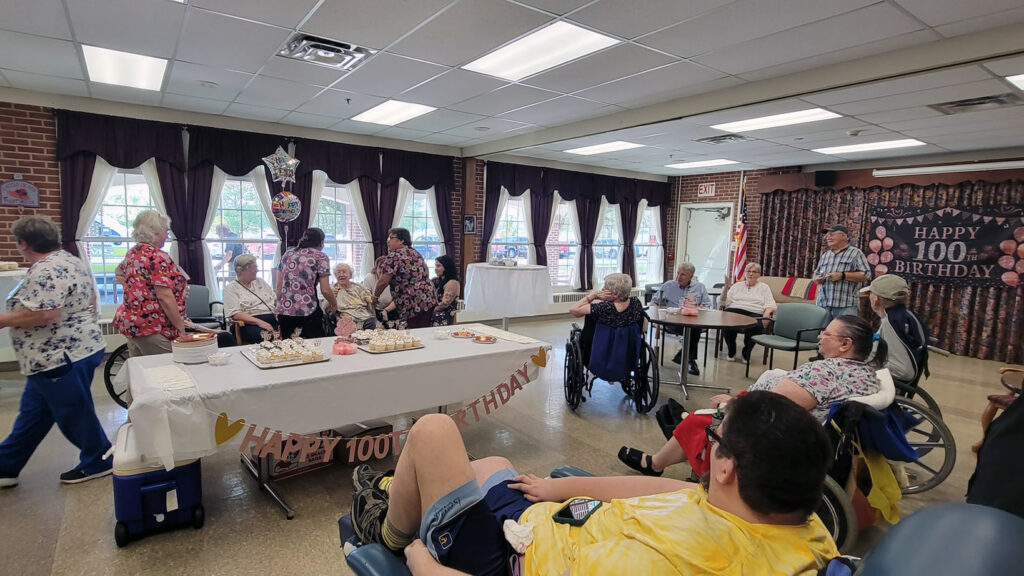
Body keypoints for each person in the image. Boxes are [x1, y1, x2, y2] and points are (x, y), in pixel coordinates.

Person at [349, 391, 838, 575]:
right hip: (546, 522)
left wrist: (416, 556)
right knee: (491, 459)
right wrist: (558, 489)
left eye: (714, 437)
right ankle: (402, 493)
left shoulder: (657, 566)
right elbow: (672, 490)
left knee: (434, 431)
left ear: (726, 467)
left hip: (505, 558)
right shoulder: (797, 524)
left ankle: (389, 532)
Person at [619, 315, 884, 478]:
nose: (820, 336)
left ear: (845, 344)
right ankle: (681, 441)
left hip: (781, 439)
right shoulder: (868, 375)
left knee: (700, 421)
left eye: (827, 333)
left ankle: (656, 463)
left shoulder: (824, 371)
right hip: (820, 438)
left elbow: (769, 409)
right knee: (705, 415)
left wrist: (732, 403)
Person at [0, 216, 112, 487]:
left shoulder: (46, 270)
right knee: (33, 414)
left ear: (24, 243)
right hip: (73, 351)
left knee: (73, 412)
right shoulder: (71, 260)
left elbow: (47, 312)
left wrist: (4, 320)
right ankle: (6, 466)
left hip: (59, 357)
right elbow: (90, 299)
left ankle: (99, 459)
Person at [113, 210, 188, 357]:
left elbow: (119, 272)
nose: (167, 235)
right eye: (165, 231)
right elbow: (165, 297)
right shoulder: (157, 257)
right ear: (155, 231)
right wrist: (180, 326)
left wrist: (136, 289)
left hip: (133, 323)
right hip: (153, 326)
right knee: (167, 370)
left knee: (141, 371)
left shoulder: (133, 253)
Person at [861, 274, 926, 384]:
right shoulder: (904, 314)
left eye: (870, 294)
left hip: (891, 383)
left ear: (876, 300)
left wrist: (866, 367)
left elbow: (904, 371)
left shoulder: (891, 322)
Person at [275, 227, 338, 339]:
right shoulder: (320, 256)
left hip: (284, 310)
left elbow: (279, 285)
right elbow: (325, 290)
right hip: (307, 309)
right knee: (314, 346)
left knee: (288, 347)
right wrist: (334, 304)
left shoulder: (287, 254)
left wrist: (279, 304)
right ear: (321, 242)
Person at [652, 262, 712, 376]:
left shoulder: (699, 287)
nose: (678, 277)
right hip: (672, 320)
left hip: (692, 318)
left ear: (691, 276)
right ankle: (690, 360)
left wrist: (698, 308)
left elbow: (707, 305)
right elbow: (654, 302)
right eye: (678, 273)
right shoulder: (668, 285)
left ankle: (685, 356)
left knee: (694, 328)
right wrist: (656, 313)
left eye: (683, 274)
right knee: (694, 330)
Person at [371, 228, 437, 329]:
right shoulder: (415, 253)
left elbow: (383, 281)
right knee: (423, 330)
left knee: (415, 333)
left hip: (414, 301)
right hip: (428, 297)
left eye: (391, 238)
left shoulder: (395, 255)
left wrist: (375, 297)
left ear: (401, 240)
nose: (388, 241)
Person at [812, 224, 871, 324]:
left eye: (832, 234)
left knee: (843, 336)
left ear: (844, 236)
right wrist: (817, 279)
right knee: (822, 336)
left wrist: (843, 275)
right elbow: (815, 275)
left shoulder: (856, 253)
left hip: (846, 306)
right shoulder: (826, 255)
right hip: (823, 305)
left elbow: (866, 274)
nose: (828, 237)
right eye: (827, 235)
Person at [720, 263, 777, 362]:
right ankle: (731, 348)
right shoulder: (736, 286)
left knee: (756, 326)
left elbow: (771, 304)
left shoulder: (764, 287)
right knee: (726, 322)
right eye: (748, 271)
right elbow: (723, 302)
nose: (750, 274)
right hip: (735, 310)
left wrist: (767, 313)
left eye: (754, 272)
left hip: (754, 312)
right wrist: (725, 288)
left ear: (759, 275)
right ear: (745, 274)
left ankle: (746, 352)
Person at [223, 254, 279, 344]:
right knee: (265, 336)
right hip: (249, 324)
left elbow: (275, 301)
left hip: (272, 319)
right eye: (255, 267)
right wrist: (260, 322)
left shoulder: (261, 282)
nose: (258, 270)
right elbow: (235, 314)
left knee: (293, 330)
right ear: (244, 269)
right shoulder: (231, 288)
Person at [332, 263, 376, 330]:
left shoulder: (359, 288)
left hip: (364, 317)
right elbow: (328, 310)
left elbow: (371, 305)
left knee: (374, 324)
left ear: (350, 275)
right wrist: (332, 298)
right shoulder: (332, 290)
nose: (341, 275)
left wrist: (371, 302)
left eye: (344, 272)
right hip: (345, 319)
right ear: (335, 275)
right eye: (338, 272)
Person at [363, 256, 398, 328]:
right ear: (376, 269)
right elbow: (367, 297)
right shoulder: (369, 277)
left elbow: (397, 299)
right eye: (380, 267)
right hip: (373, 308)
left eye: (385, 268)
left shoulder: (396, 279)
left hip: (391, 308)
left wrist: (386, 310)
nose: (382, 270)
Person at [431, 255, 460, 327]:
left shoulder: (452, 283)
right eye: (435, 266)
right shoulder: (438, 280)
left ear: (446, 267)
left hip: (446, 314)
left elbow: (445, 303)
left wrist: (431, 311)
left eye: (438, 266)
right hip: (437, 312)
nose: (436, 269)